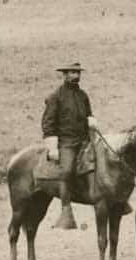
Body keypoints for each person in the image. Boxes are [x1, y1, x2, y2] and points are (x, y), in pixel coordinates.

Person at [42, 62, 99, 230]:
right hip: (66, 142)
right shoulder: (55, 96)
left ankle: (114, 200)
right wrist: (52, 147)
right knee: (66, 170)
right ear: (64, 75)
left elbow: (89, 115)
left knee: (105, 161)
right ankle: (66, 212)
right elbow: (48, 123)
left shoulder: (83, 95)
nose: (76, 76)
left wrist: (92, 123)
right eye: (72, 72)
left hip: (85, 140)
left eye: (78, 72)